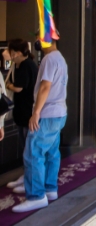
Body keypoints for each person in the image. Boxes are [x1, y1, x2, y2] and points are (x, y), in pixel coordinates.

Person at [12, 38, 68, 213]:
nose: (37, 41)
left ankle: (36, 195)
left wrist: (36, 112)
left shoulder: (49, 59)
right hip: (59, 112)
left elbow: (45, 87)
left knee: (33, 153)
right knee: (51, 152)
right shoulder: (60, 58)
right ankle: (50, 188)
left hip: (47, 112)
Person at [2, 40, 38, 188]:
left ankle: (30, 180)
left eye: (10, 51)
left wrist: (9, 85)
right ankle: (27, 176)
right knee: (27, 149)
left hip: (27, 114)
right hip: (24, 113)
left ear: (16, 53)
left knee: (29, 149)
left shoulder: (26, 65)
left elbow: (18, 88)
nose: (6, 54)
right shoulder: (25, 64)